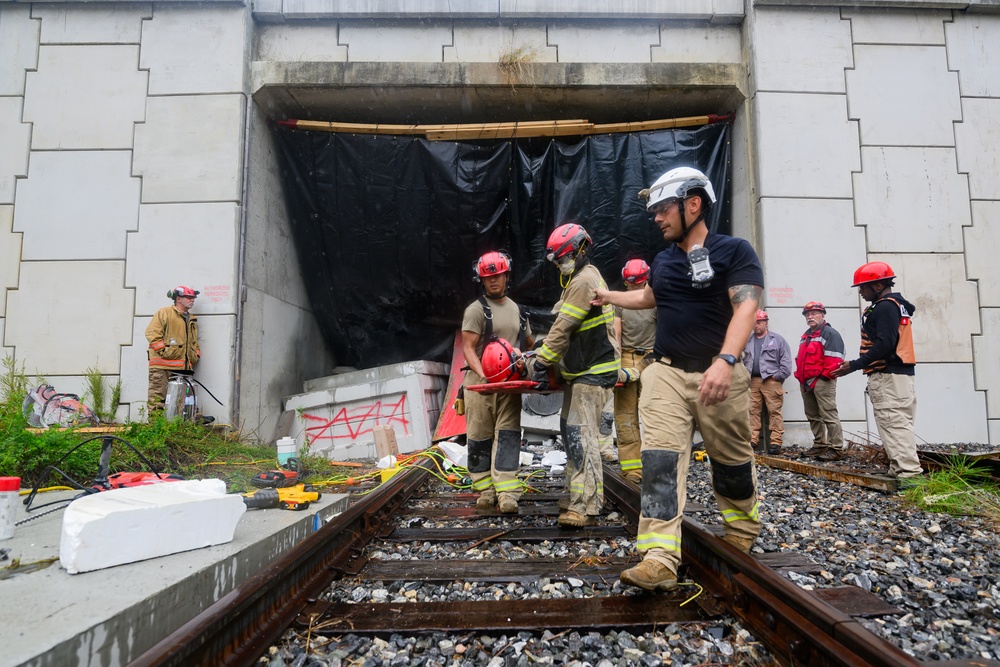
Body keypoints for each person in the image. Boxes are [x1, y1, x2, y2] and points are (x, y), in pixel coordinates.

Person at [593, 166, 763, 592]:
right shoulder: (664, 260)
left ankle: (741, 531)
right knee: (660, 462)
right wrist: (609, 296)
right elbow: (650, 297)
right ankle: (660, 557)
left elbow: (745, 307)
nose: (656, 218)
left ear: (693, 204)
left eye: (663, 209)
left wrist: (726, 360)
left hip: (717, 371)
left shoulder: (735, 251)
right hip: (665, 372)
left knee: (730, 459)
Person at [530, 223, 620, 528]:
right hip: (580, 372)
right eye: (557, 260)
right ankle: (575, 494)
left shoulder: (583, 281)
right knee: (570, 433)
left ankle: (586, 505)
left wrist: (542, 361)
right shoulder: (576, 280)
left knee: (583, 439)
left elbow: (564, 328)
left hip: (593, 372)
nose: (559, 264)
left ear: (580, 250)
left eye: (563, 258)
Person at [831, 262, 922, 478]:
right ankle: (899, 468)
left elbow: (884, 344)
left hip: (888, 375)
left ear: (878, 285)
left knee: (894, 423)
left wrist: (853, 365)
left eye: (863, 287)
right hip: (899, 375)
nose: (861, 292)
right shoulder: (895, 305)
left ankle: (908, 474)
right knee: (898, 422)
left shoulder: (884, 307)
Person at [462, 251, 533, 514]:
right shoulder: (475, 310)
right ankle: (485, 490)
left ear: (506, 276)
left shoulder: (518, 311)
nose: (493, 281)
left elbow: (527, 347)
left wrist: (523, 362)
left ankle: (507, 493)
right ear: (481, 279)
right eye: (488, 277)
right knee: (479, 437)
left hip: (509, 385)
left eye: (498, 276)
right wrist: (483, 374)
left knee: (508, 436)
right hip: (481, 385)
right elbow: (468, 348)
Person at [613, 259, 656, 483]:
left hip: (652, 358)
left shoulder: (655, 301)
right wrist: (618, 366)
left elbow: (664, 337)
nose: (633, 289)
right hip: (627, 357)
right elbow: (616, 336)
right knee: (625, 417)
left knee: (654, 415)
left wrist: (641, 367)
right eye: (631, 285)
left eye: (637, 285)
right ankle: (632, 470)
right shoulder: (620, 303)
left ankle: (654, 466)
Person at [793, 301, 846, 461]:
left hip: (823, 380)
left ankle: (836, 448)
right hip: (806, 381)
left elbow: (836, 358)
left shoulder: (830, 333)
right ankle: (820, 445)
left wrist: (823, 377)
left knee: (828, 414)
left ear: (823, 315)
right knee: (813, 415)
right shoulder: (806, 336)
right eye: (808, 314)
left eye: (814, 313)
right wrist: (801, 379)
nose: (810, 316)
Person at [741, 310, 791, 455]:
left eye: (759, 322)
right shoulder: (747, 341)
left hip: (771, 380)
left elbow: (786, 361)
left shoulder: (777, 340)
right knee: (752, 411)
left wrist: (778, 376)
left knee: (774, 411)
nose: (756, 325)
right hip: (753, 380)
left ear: (766, 323)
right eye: (754, 323)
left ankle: (775, 442)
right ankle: (753, 440)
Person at [146, 286, 201, 411]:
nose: (192, 300)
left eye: (193, 298)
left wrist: (195, 356)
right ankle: (156, 428)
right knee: (157, 399)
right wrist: (165, 351)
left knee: (182, 401)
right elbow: (152, 334)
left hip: (183, 368)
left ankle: (184, 424)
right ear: (178, 299)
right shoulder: (164, 313)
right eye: (188, 297)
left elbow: (193, 342)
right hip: (162, 368)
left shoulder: (191, 319)